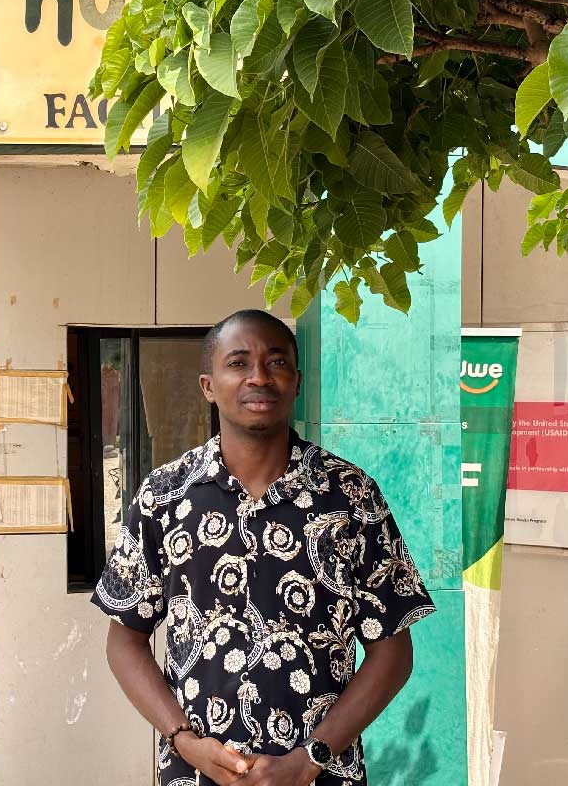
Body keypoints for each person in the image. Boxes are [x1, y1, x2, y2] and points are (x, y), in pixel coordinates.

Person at [92, 309, 435, 786]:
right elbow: (124, 639)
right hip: (198, 775)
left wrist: (309, 760)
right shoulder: (164, 496)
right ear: (208, 386)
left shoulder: (351, 496)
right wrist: (183, 740)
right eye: (238, 363)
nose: (259, 377)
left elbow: (393, 651)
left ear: (296, 382)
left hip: (321, 776)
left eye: (276, 363)